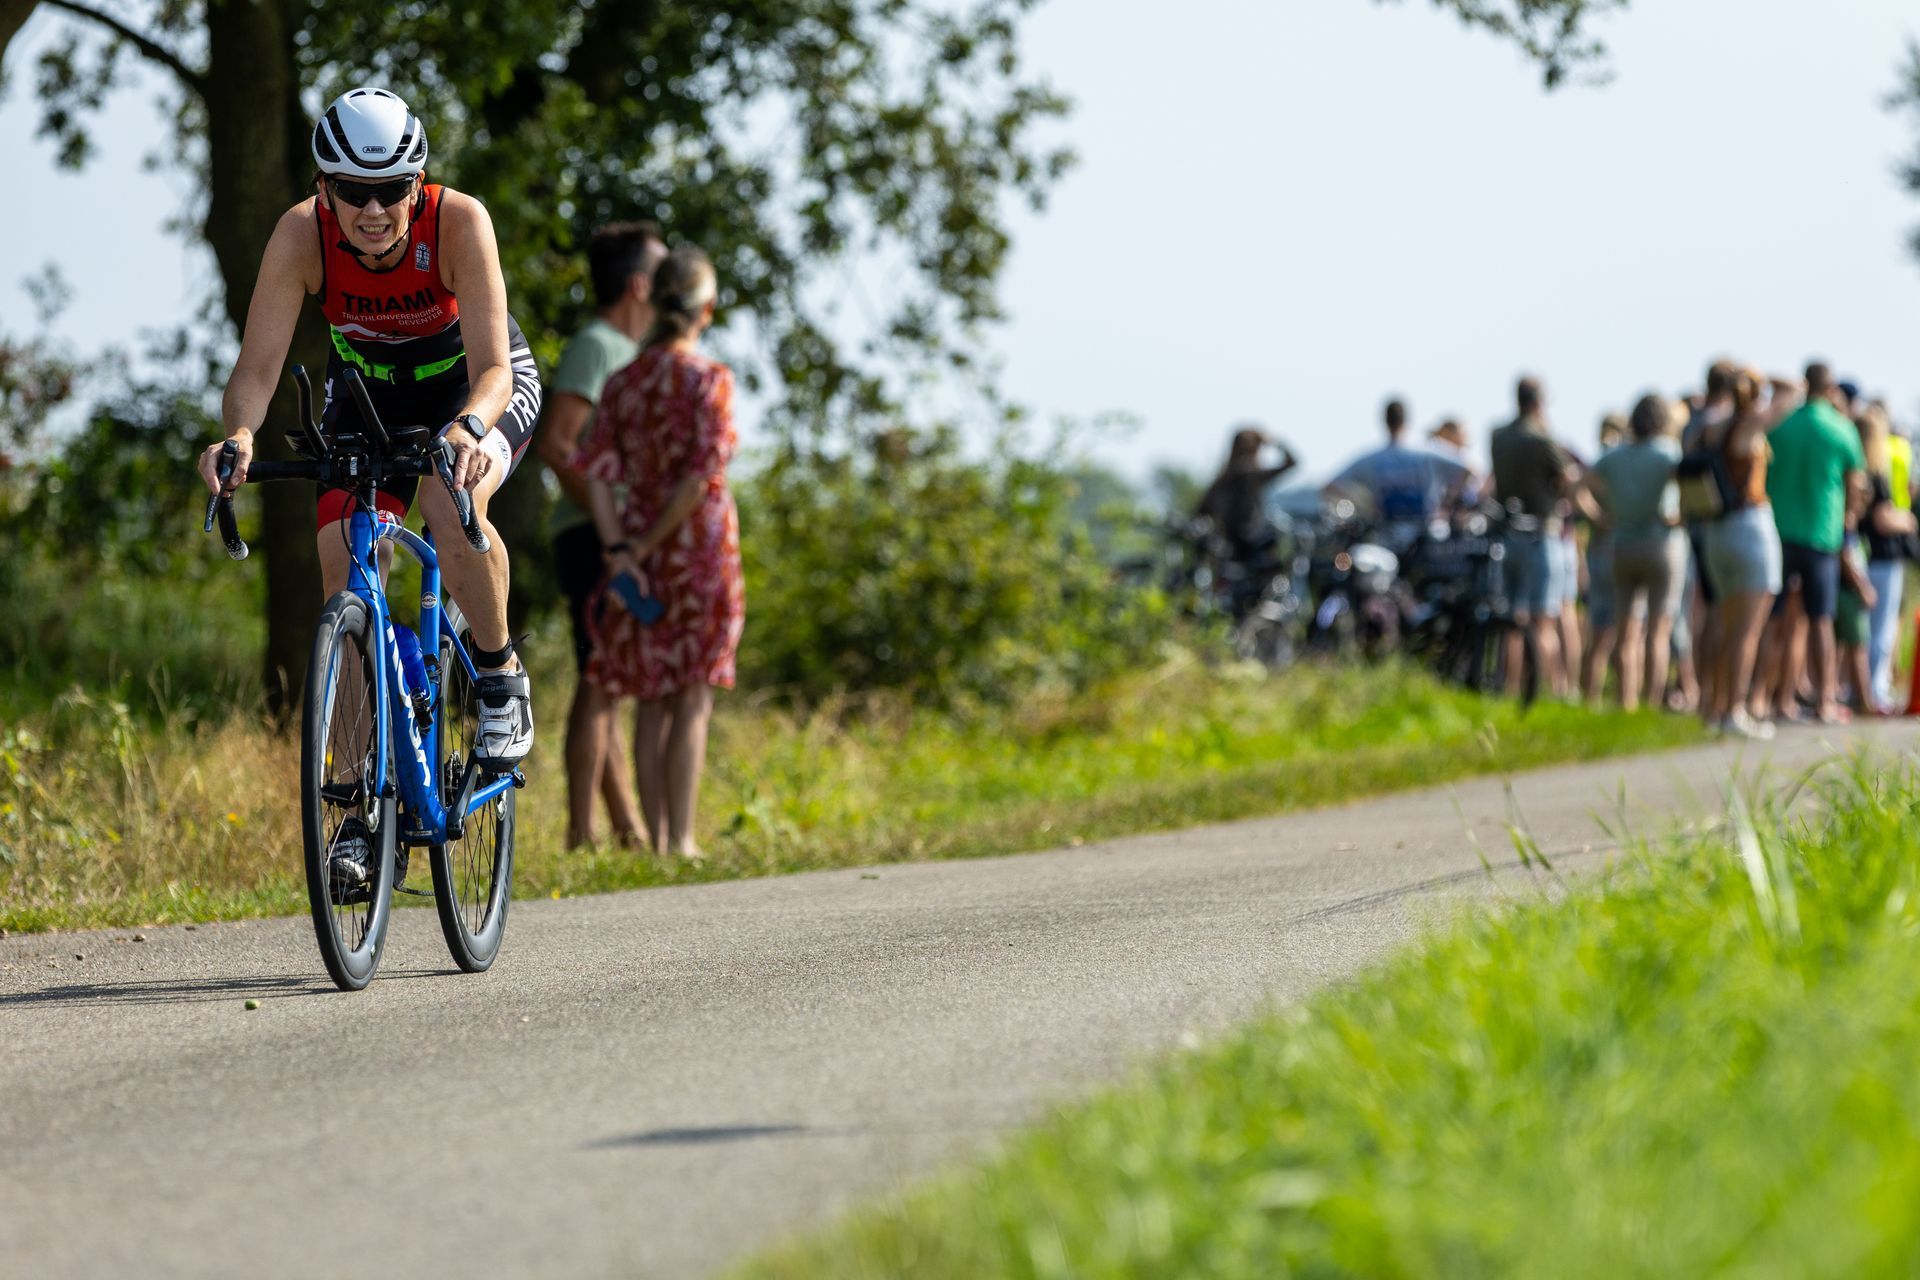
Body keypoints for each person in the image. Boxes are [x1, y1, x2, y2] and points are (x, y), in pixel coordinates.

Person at [196, 87, 543, 886]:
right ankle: (354, 809)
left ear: (418, 184)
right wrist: (239, 437)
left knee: (448, 507)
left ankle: (497, 675)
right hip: (369, 394)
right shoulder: (300, 235)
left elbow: (495, 367)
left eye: (392, 189)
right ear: (326, 190)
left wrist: (469, 431)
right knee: (339, 563)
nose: (374, 209)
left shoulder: (459, 221)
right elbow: (256, 370)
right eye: (353, 191)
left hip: (473, 388)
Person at [575, 247, 743, 858]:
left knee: (649, 694)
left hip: (636, 560)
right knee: (692, 693)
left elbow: (592, 469)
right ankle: (683, 838)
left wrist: (621, 545)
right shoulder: (710, 382)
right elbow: (701, 478)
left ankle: (657, 843)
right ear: (708, 309)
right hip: (698, 551)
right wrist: (648, 542)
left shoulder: (623, 382)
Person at [537, 222, 668, 849]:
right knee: (599, 681)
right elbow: (558, 445)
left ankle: (628, 833)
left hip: (615, 538)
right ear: (641, 285)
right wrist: (612, 528)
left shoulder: (631, 352)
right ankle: (581, 835)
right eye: (663, 274)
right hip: (591, 538)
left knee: (611, 678)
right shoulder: (596, 345)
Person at [1755, 363, 1866, 725]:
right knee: (1821, 620)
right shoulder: (1841, 428)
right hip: (1822, 534)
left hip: (1781, 529)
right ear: (1831, 388)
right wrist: (1849, 516)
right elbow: (1855, 483)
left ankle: (1759, 696)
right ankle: (1825, 701)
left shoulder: (1782, 423)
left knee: (1772, 618)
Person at [1589, 395, 1683, 712]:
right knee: (1658, 632)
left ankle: (1625, 703)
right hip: (1660, 544)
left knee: (1625, 632)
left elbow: (1577, 488)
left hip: (1622, 545)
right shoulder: (1668, 453)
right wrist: (1681, 516)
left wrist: (1600, 518)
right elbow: (1692, 485)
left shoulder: (1614, 456)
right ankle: (1652, 704)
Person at [1490, 376, 1576, 697]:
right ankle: (1549, 690)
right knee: (1544, 621)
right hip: (1541, 534)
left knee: (1513, 621)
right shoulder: (1542, 438)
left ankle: (1510, 688)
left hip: (1508, 535)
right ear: (1539, 401)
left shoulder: (1498, 436)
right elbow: (1566, 478)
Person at [1326, 399, 1469, 537]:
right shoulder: (1426, 452)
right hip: (1428, 535)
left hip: (1388, 535)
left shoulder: (1371, 459)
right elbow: (1467, 468)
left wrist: (1365, 506)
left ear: (1385, 421)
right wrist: (1447, 504)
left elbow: (1330, 485)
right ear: (1405, 421)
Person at [1856, 402, 1916, 712]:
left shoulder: (1856, 471)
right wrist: (1908, 519)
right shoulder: (1876, 474)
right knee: (1882, 630)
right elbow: (1882, 519)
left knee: (1867, 630)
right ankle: (1875, 692)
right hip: (1884, 557)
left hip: (1864, 557)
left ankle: (1868, 689)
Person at [1196, 426, 1299, 563]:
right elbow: (1292, 462)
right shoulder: (1252, 474)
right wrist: (1275, 442)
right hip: (1253, 545)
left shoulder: (1222, 480)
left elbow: (1200, 512)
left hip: (1228, 548)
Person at [1581, 412, 1627, 702]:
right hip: (1617, 548)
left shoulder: (1600, 462)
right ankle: (1626, 699)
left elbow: (1577, 489)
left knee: (1598, 631)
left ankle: (1592, 697)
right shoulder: (1619, 461)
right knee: (1625, 632)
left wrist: (1596, 518)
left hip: (1599, 550)